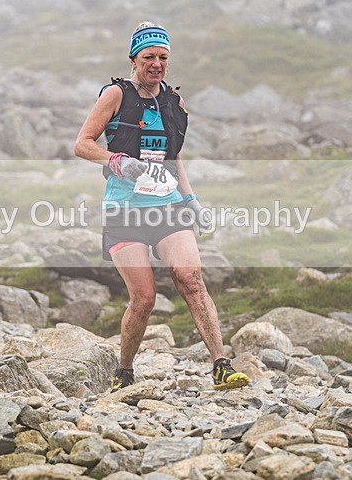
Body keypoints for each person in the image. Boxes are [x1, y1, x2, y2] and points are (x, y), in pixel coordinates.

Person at [74, 22, 250, 392]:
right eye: (148, 57)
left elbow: (174, 157)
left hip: (168, 204)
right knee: (144, 298)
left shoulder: (174, 102)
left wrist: (191, 200)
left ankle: (221, 365)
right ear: (133, 60)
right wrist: (117, 161)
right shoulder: (115, 95)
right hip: (124, 209)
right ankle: (124, 371)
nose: (156, 64)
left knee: (192, 280)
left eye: (163, 58)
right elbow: (82, 144)